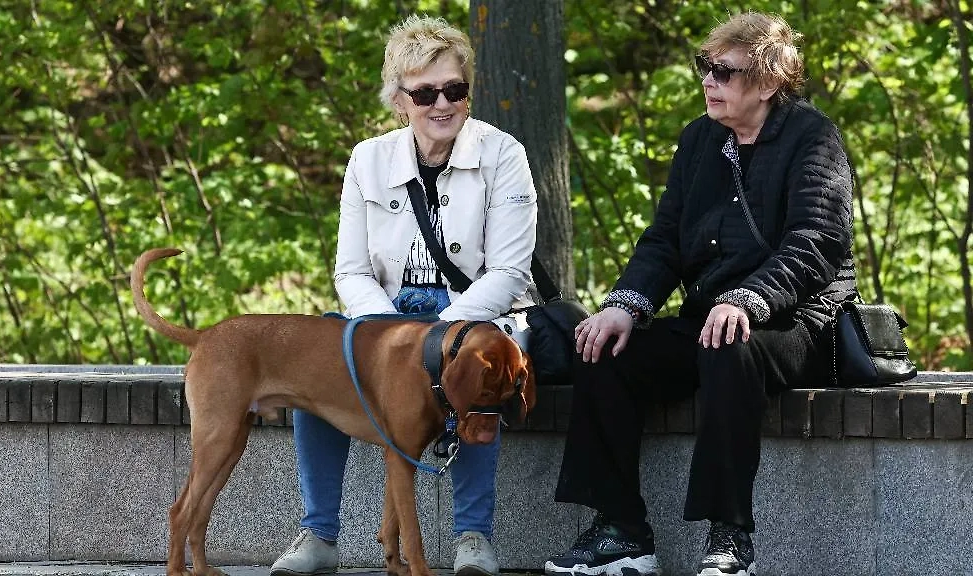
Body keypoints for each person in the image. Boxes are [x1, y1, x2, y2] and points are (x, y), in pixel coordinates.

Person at [543, 12, 856, 576]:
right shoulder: (698, 140)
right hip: (710, 317)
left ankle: (729, 537)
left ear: (767, 82)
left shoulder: (813, 137)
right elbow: (665, 238)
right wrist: (625, 305)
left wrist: (749, 299)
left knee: (728, 345)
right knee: (601, 350)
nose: (709, 80)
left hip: (798, 322)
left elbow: (818, 241)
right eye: (704, 67)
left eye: (724, 71)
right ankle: (622, 532)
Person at [269, 14, 537, 576]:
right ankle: (319, 533)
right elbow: (350, 271)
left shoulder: (503, 153)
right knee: (317, 356)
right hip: (386, 315)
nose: (442, 104)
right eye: (425, 93)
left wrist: (440, 336)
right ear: (399, 100)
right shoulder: (368, 159)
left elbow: (509, 272)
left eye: (454, 90)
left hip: (474, 309)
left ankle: (472, 536)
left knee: (475, 366)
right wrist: (389, 333)